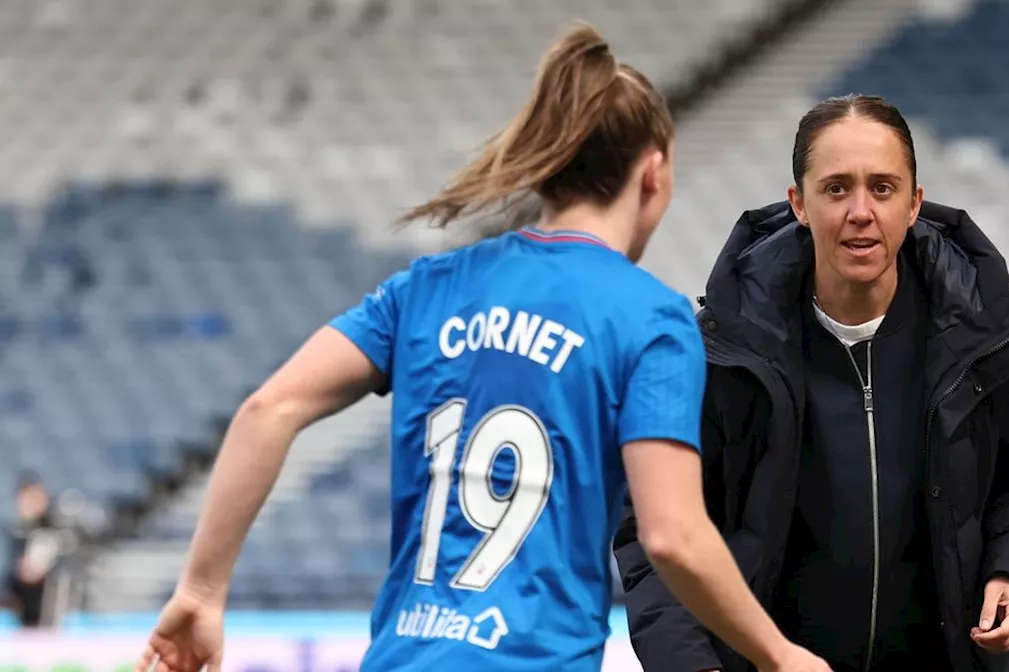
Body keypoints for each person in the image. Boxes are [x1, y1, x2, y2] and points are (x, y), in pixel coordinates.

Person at [134, 23, 830, 672]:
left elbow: (269, 408)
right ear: (653, 171)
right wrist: (778, 656)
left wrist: (200, 592)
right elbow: (673, 535)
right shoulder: (650, 318)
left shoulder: (428, 286)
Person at [614, 94, 1009, 672]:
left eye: (882, 188)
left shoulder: (1000, 333)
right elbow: (653, 527)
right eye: (836, 188)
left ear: (914, 204)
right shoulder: (715, 352)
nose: (861, 210)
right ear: (798, 204)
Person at [5, 472, 56, 628]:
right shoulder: (11, 531)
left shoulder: (53, 529)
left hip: (44, 607)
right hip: (17, 605)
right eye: (30, 498)